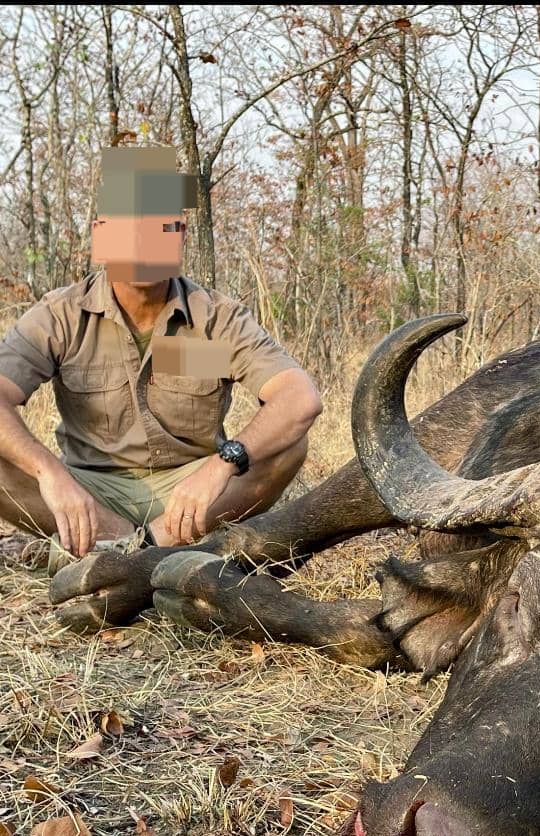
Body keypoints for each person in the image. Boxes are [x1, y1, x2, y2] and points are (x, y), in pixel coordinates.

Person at [0, 145, 322, 571]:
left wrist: (224, 464)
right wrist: (49, 474)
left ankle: (143, 550)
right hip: (91, 490)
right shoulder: (60, 314)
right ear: (101, 232)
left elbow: (300, 398)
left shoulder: (217, 318)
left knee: (289, 445)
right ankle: (120, 544)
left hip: (193, 495)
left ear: (180, 233)